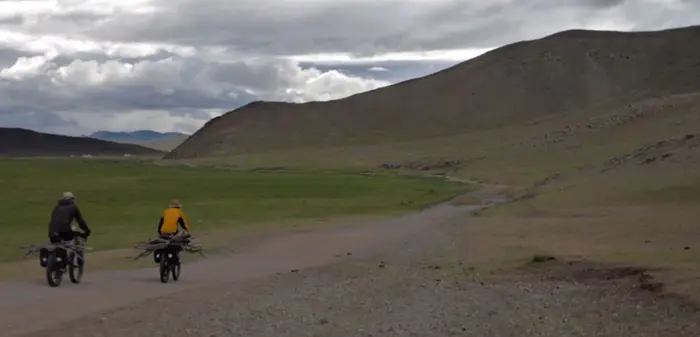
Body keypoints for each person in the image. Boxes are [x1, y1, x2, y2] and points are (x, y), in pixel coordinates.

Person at [40, 192, 91, 267]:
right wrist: (87, 231)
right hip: (65, 230)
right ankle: (78, 261)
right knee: (76, 238)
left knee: (58, 243)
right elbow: (80, 221)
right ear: (72, 199)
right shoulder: (73, 207)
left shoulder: (57, 207)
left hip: (52, 231)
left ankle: (53, 262)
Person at [154, 199, 191, 264]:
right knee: (176, 243)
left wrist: (159, 232)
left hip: (163, 232)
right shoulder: (179, 212)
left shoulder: (166, 212)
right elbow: (183, 224)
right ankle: (175, 257)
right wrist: (188, 232)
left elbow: (161, 223)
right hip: (173, 233)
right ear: (179, 207)